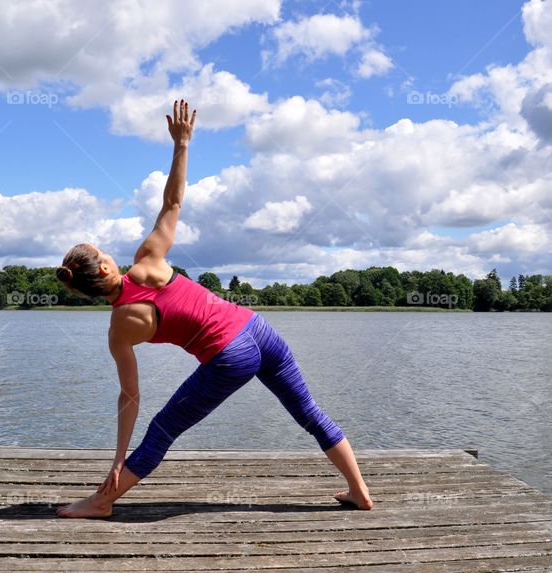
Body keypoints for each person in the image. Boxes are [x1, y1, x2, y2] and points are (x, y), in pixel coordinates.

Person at [54, 99, 372, 518]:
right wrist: (182, 144)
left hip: (231, 354)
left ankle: (102, 502)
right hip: (258, 329)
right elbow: (172, 204)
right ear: (107, 265)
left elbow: (130, 396)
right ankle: (359, 491)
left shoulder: (120, 328)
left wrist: (118, 458)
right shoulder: (148, 259)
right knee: (309, 412)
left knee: (163, 430)